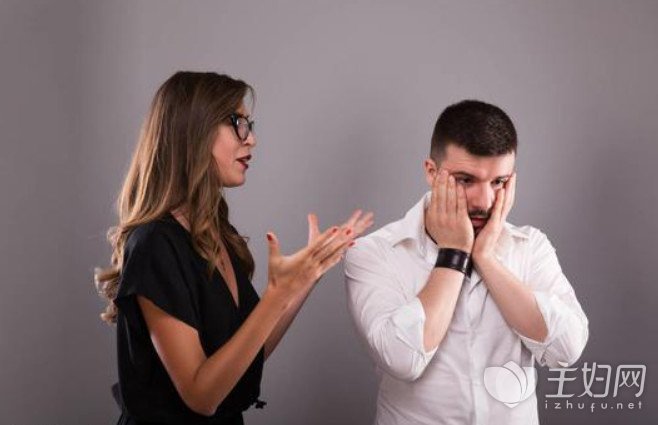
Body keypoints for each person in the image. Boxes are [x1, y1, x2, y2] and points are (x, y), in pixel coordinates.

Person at [95, 71, 374, 425]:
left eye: (249, 125)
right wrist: (276, 294)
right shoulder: (154, 244)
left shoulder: (216, 233)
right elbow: (202, 395)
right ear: (195, 130)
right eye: (238, 123)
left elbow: (246, 354)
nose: (251, 139)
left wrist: (307, 276)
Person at [344, 100, 588, 424]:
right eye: (465, 180)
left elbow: (566, 350)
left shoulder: (530, 247)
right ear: (431, 172)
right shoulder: (374, 253)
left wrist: (486, 258)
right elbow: (403, 359)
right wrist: (454, 253)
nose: (484, 201)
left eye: (499, 182)